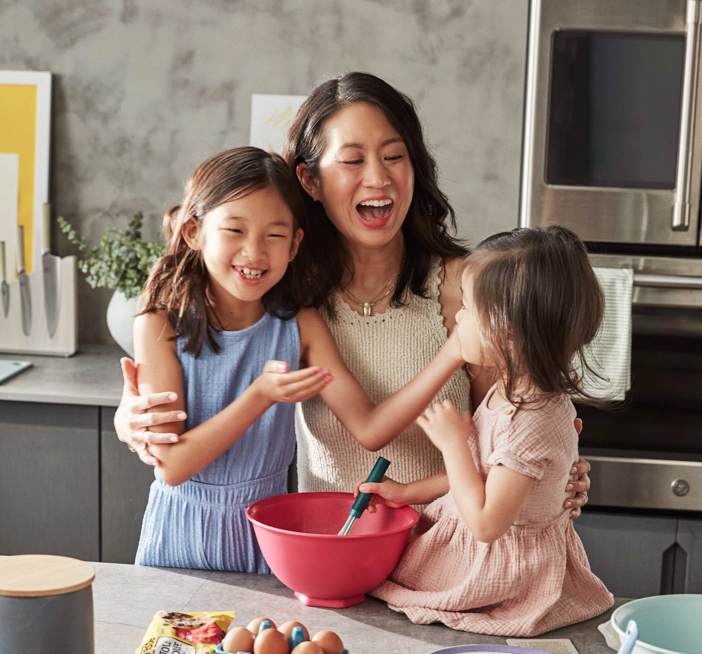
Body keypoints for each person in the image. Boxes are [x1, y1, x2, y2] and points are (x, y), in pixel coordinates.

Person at [114, 72, 592, 519]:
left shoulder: (466, 289)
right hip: (332, 554)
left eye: (393, 155)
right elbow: (202, 369)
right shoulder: (280, 285)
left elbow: (519, 420)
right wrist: (128, 420)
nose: (378, 179)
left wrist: (553, 470)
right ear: (309, 180)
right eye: (352, 160)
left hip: (453, 556)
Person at [133, 146, 463, 573]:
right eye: (234, 230)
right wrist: (261, 395)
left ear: (294, 244)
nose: (254, 253)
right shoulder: (161, 324)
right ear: (194, 232)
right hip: (175, 540)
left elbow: (369, 428)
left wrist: (452, 353)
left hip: (266, 543)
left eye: (274, 235)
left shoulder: (301, 326)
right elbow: (173, 466)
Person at [362, 226, 614, 636]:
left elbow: (485, 524)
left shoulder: (533, 419)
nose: (458, 318)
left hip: (502, 577)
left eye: (468, 309)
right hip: (475, 552)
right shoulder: (509, 388)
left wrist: (452, 444)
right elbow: (484, 475)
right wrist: (408, 492)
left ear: (507, 330)